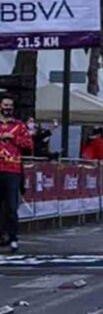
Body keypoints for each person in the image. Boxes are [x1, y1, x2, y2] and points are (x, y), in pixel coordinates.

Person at [0, 94, 33, 252]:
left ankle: (13, 238)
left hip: (12, 170)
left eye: (10, 106)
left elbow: (28, 145)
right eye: (5, 105)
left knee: (12, 207)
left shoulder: (19, 126)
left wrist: (13, 138)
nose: (8, 108)